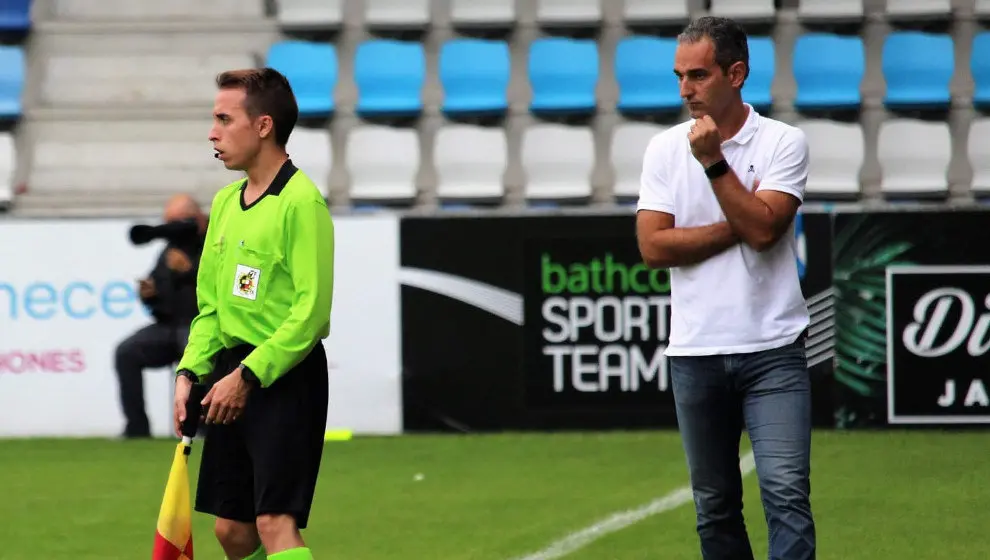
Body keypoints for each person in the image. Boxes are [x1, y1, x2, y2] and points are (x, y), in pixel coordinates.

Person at [635, 16, 816, 560]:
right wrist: (740, 219)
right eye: (679, 77)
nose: (686, 90)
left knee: (786, 495)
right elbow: (653, 249)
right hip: (695, 351)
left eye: (699, 75)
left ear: (736, 74)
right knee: (714, 505)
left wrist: (714, 162)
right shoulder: (663, 150)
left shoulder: (785, 142)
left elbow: (764, 233)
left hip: (773, 351)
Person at [172, 67, 335, 560]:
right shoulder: (224, 203)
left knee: (274, 521)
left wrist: (248, 376)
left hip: (284, 377)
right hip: (226, 377)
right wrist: (190, 370)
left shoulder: (301, 203)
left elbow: (311, 314)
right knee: (232, 532)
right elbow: (211, 308)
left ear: (263, 126)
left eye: (224, 118)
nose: (212, 132)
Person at [115, 194, 207, 439]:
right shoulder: (170, 249)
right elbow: (163, 299)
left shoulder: (215, 241)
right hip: (169, 326)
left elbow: (223, 287)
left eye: (176, 223)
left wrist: (189, 271)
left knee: (194, 349)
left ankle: (206, 428)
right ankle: (137, 428)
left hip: (203, 327)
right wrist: (150, 294)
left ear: (196, 219)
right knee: (126, 352)